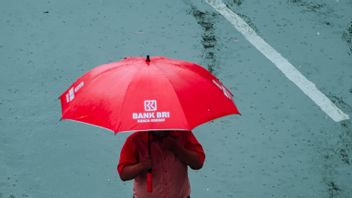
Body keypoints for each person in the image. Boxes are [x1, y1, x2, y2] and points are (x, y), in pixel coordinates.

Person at [117, 130, 205, 198]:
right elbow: (123, 174)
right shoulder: (135, 140)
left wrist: (177, 149)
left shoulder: (183, 134)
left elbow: (198, 163)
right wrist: (142, 166)